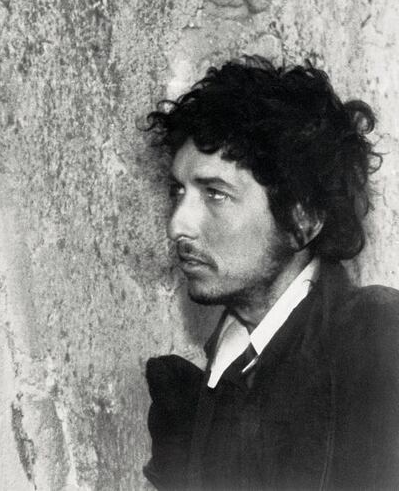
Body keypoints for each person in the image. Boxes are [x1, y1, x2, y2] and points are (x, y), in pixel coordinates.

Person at [142, 56, 399, 490]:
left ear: (303, 220)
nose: (177, 226)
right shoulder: (189, 402)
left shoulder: (379, 349)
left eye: (215, 194)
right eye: (178, 192)